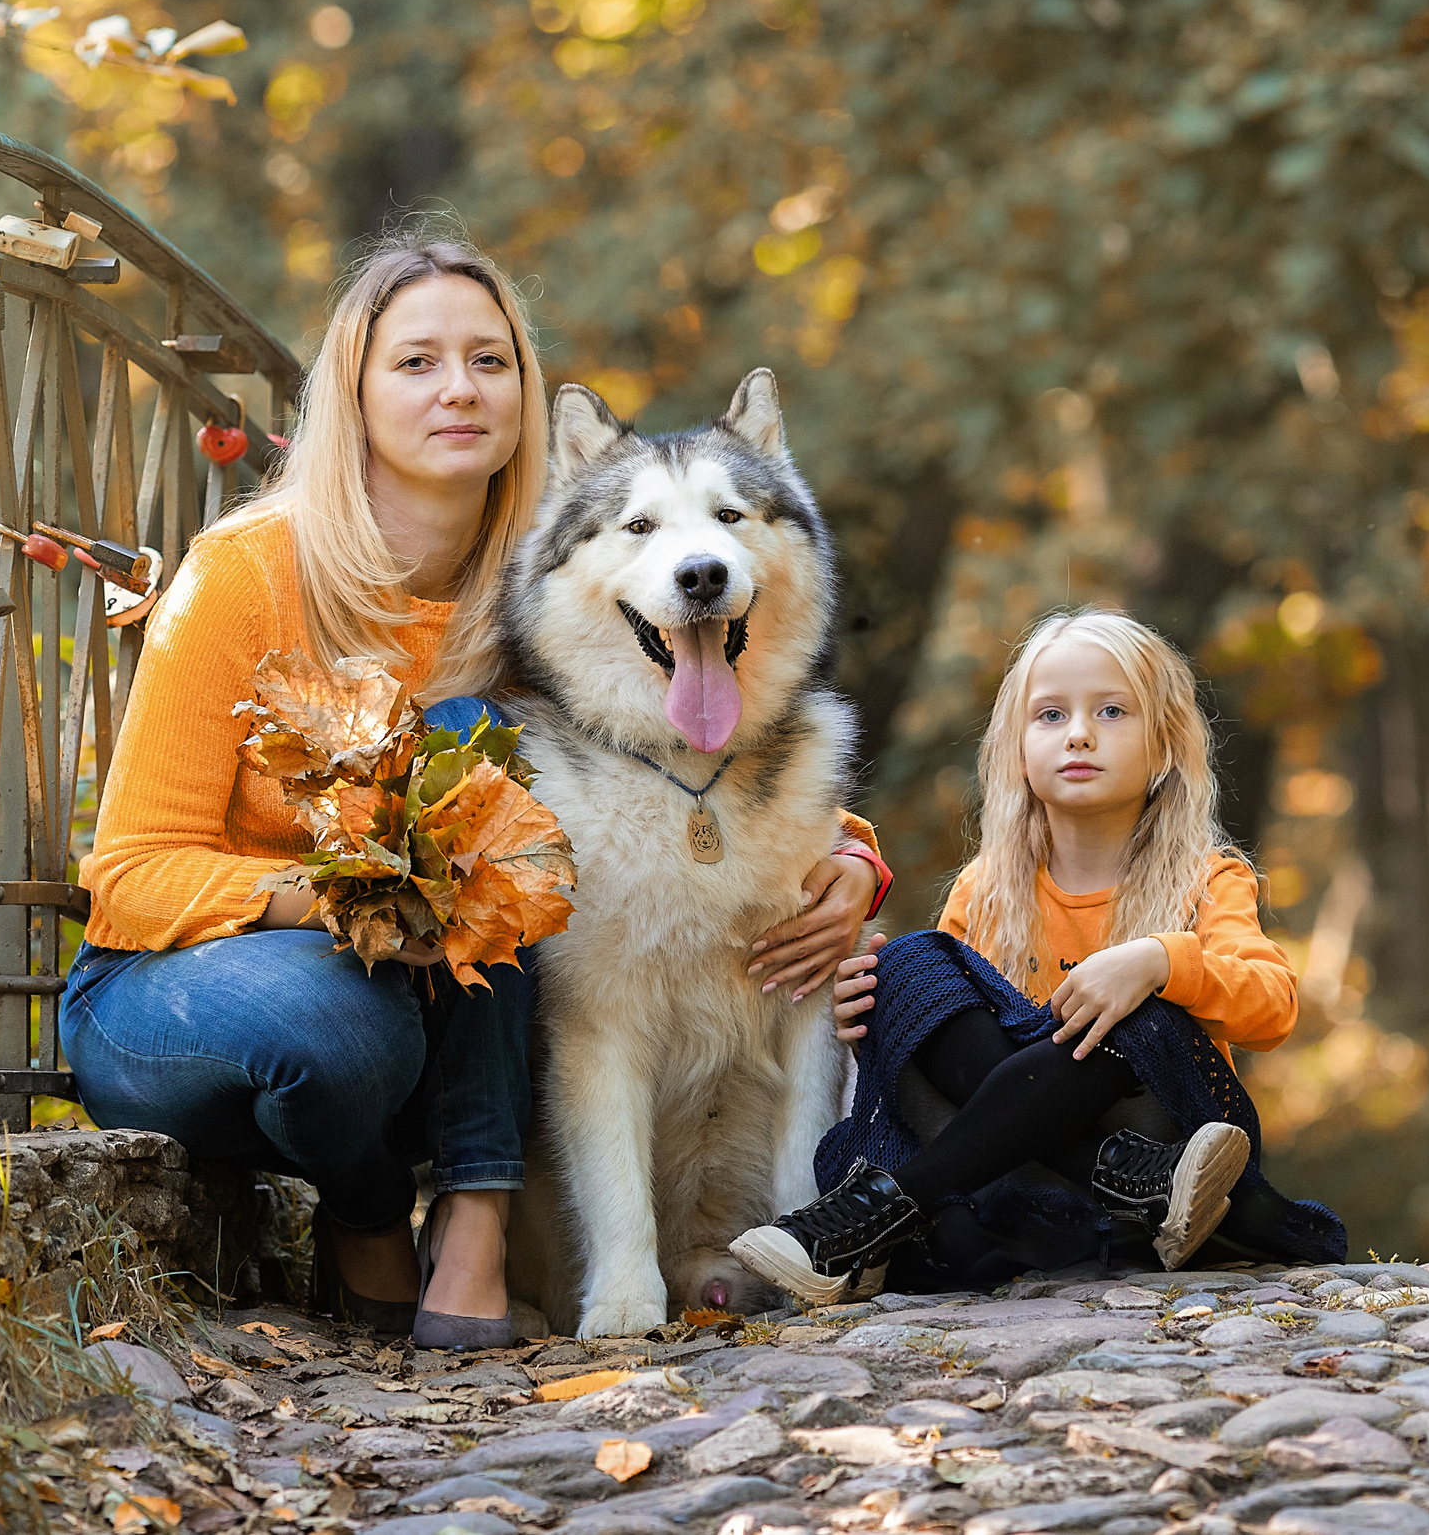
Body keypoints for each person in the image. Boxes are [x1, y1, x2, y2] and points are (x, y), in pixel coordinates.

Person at [68, 228, 892, 1349]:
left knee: (483, 777)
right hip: (183, 990)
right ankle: (366, 1217)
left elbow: (684, 773)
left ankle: (472, 1220)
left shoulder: (549, 598)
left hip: (415, 1016)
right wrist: (346, 904)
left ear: (523, 394)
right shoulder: (246, 574)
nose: (458, 387)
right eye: (415, 361)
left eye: (489, 360)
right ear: (351, 392)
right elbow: (128, 873)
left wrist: (848, 860)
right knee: (338, 1020)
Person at [730, 608, 1346, 1305]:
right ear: (1017, 748)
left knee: (1134, 1018)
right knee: (910, 969)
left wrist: (1158, 961)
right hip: (1038, 1186)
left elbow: (1274, 1005)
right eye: (1051, 715)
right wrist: (875, 1004)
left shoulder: (1208, 880)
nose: (1079, 732)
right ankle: (1128, 1183)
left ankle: (878, 1211)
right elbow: (951, 1054)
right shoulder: (985, 890)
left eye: (1112, 711)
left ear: (1166, 745)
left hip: (1170, 1124)